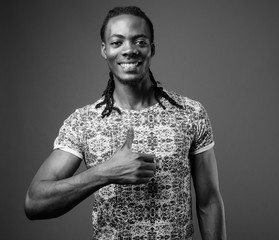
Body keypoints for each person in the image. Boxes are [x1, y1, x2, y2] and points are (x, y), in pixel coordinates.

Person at [25, 6, 226, 240]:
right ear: (105, 50)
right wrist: (105, 173)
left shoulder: (191, 112)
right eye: (117, 42)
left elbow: (209, 202)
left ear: (152, 49)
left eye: (140, 41)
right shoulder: (83, 122)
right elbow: (34, 202)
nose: (129, 50)